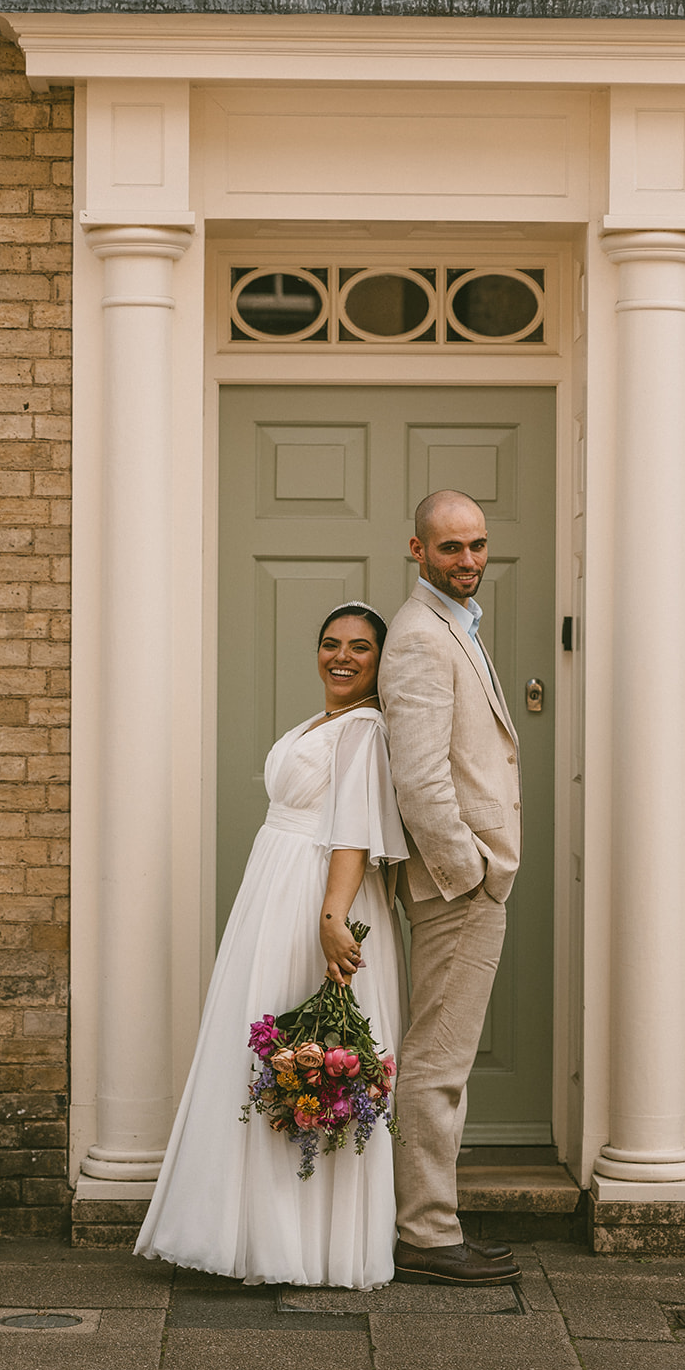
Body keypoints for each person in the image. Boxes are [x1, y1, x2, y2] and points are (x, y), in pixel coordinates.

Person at [135, 603, 408, 1289]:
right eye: (330, 643)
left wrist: (331, 918)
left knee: (315, 1045)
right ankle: (253, 1232)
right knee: (268, 1044)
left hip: (318, 895)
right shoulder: (322, 722)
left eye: (360, 648)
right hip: (274, 891)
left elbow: (352, 834)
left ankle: (309, 1243)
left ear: (381, 661)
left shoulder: (365, 729)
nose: (341, 657)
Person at [378, 490, 522, 1286]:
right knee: (438, 1063)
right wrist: (470, 873)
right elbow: (419, 777)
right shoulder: (420, 637)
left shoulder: (452, 624)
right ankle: (427, 1233)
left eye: (476, 545)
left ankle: (432, 1222)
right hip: (455, 888)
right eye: (449, 548)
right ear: (417, 550)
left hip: (463, 882)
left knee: (442, 1058)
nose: (467, 560)